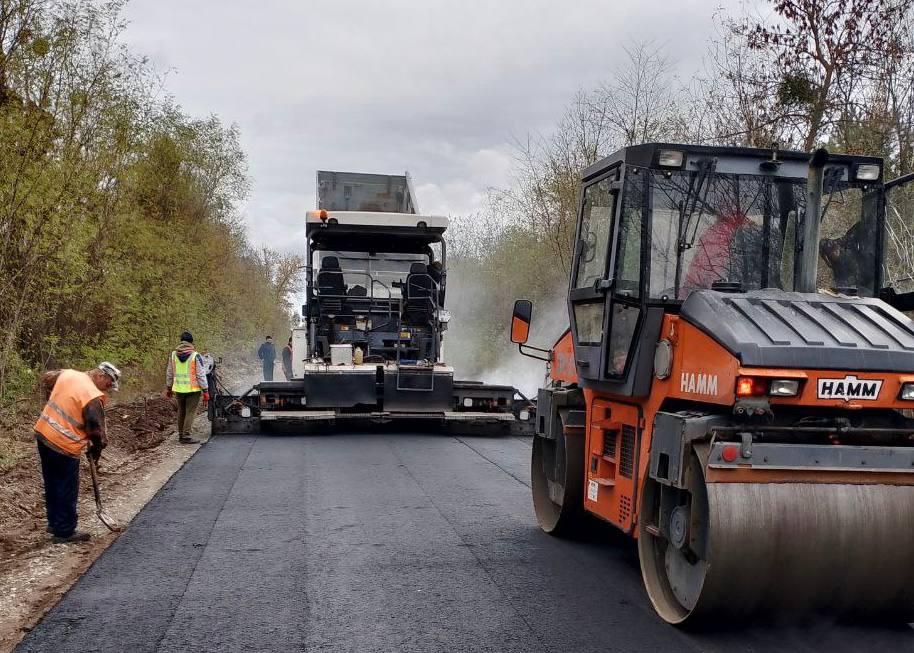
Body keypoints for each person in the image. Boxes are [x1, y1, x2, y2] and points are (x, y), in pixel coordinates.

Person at [34, 362, 120, 543]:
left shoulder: (69, 374)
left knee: (52, 481)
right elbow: (96, 432)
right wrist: (95, 453)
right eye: (109, 383)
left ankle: (54, 522)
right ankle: (64, 531)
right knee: (66, 486)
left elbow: (47, 378)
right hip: (64, 443)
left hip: (43, 433)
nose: (109, 389)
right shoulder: (92, 397)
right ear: (101, 376)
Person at [165, 331, 209, 444]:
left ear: (181, 341)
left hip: (179, 389)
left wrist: (169, 388)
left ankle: (181, 434)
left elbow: (169, 372)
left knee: (181, 411)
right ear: (191, 342)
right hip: (193, 390)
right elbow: (200, 374)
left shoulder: (173, 355)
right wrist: (205, 390)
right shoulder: (195, 355)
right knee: (190, 412)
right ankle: (186, 436)